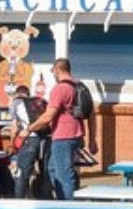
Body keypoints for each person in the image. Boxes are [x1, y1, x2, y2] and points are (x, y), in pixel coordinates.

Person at [26, 57, 93, 200]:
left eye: (53, 72)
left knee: (63, 176)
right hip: (77, 135)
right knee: (53, 169)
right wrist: (92, 139)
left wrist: (29, 128)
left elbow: (48, 116)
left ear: (58, 70)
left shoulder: (60, 89)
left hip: (63, 137)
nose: (53, 75)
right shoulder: (80, 86)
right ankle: (62, 207)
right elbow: (90, 114)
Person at [9, 84, 49, 198]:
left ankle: (18, 201)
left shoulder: (16, 103)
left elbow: (15, 127)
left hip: (29, 139)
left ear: (17, 93)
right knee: (45, 173)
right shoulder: (39, 102)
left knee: (22, 172)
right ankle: (46, 200)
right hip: (45, 139)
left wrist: (12, 144)